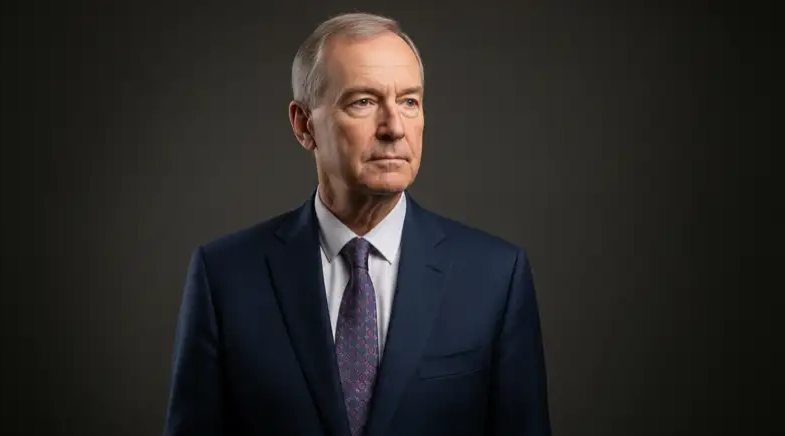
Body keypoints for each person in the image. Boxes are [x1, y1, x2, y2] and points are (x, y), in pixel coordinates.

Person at [163, 12, 551, 436]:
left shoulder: (496, 276)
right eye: (363, 101)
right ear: (303, 124)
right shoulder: (224, 277)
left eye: (409, 101)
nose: (394, 128)